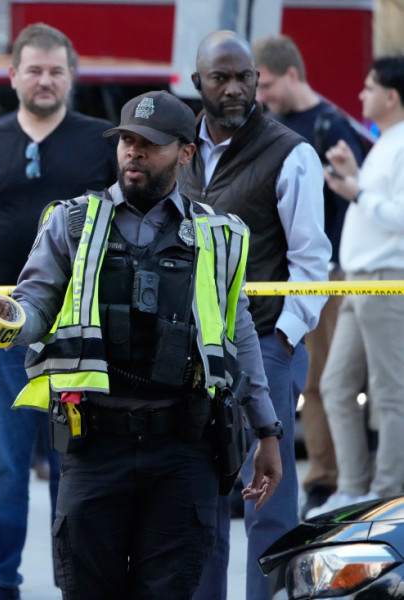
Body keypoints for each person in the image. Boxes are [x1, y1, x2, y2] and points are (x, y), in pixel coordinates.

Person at [0, 89, 282, 600]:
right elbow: (35, 303)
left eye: (150, 144)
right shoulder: (73, 221)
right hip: (94, 445)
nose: (134, 151)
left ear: (185, 152)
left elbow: (239, 336)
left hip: (184, 450)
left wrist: (268, 431)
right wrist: (12, 320)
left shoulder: (219, 236)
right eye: (127, 140)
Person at [0, 22, 119, 600]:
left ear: (71, 77)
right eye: (35, 70)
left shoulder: (101, 143)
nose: (45, 80)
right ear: (14, 75)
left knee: (74, 462)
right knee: (3, 461)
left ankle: (77, 580)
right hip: (2, 335)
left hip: (81, 333)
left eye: (56, 71)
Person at [179, 31, 330, 600]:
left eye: (244, 77)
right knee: (201, 500)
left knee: (269, 502)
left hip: (264, 342)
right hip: (189, 353)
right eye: (221, 78)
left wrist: (284, 342)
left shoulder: (291, 152)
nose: (235, 89)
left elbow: (311, 261)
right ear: (198, 83)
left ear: (258, 80)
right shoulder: (180, 147)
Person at [252, 34, 366, 519]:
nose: (260, 96)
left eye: (267, 86)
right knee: (314, 384)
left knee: (320, 382)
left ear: (293, 75)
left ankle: (325, 480)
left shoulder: (329, 124)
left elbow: (354, 194)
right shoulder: (270, 125)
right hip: (280, 280)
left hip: (326, 274)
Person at [316, 56, 404, 514]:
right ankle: (352, 490)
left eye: (369, 88)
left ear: (391, 96)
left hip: (387, 280)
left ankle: (386, 495)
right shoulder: (386, 141)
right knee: (335, 385)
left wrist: (357, 191)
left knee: (391, 393)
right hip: (358, 281)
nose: (360, 95)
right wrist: (353, 176)